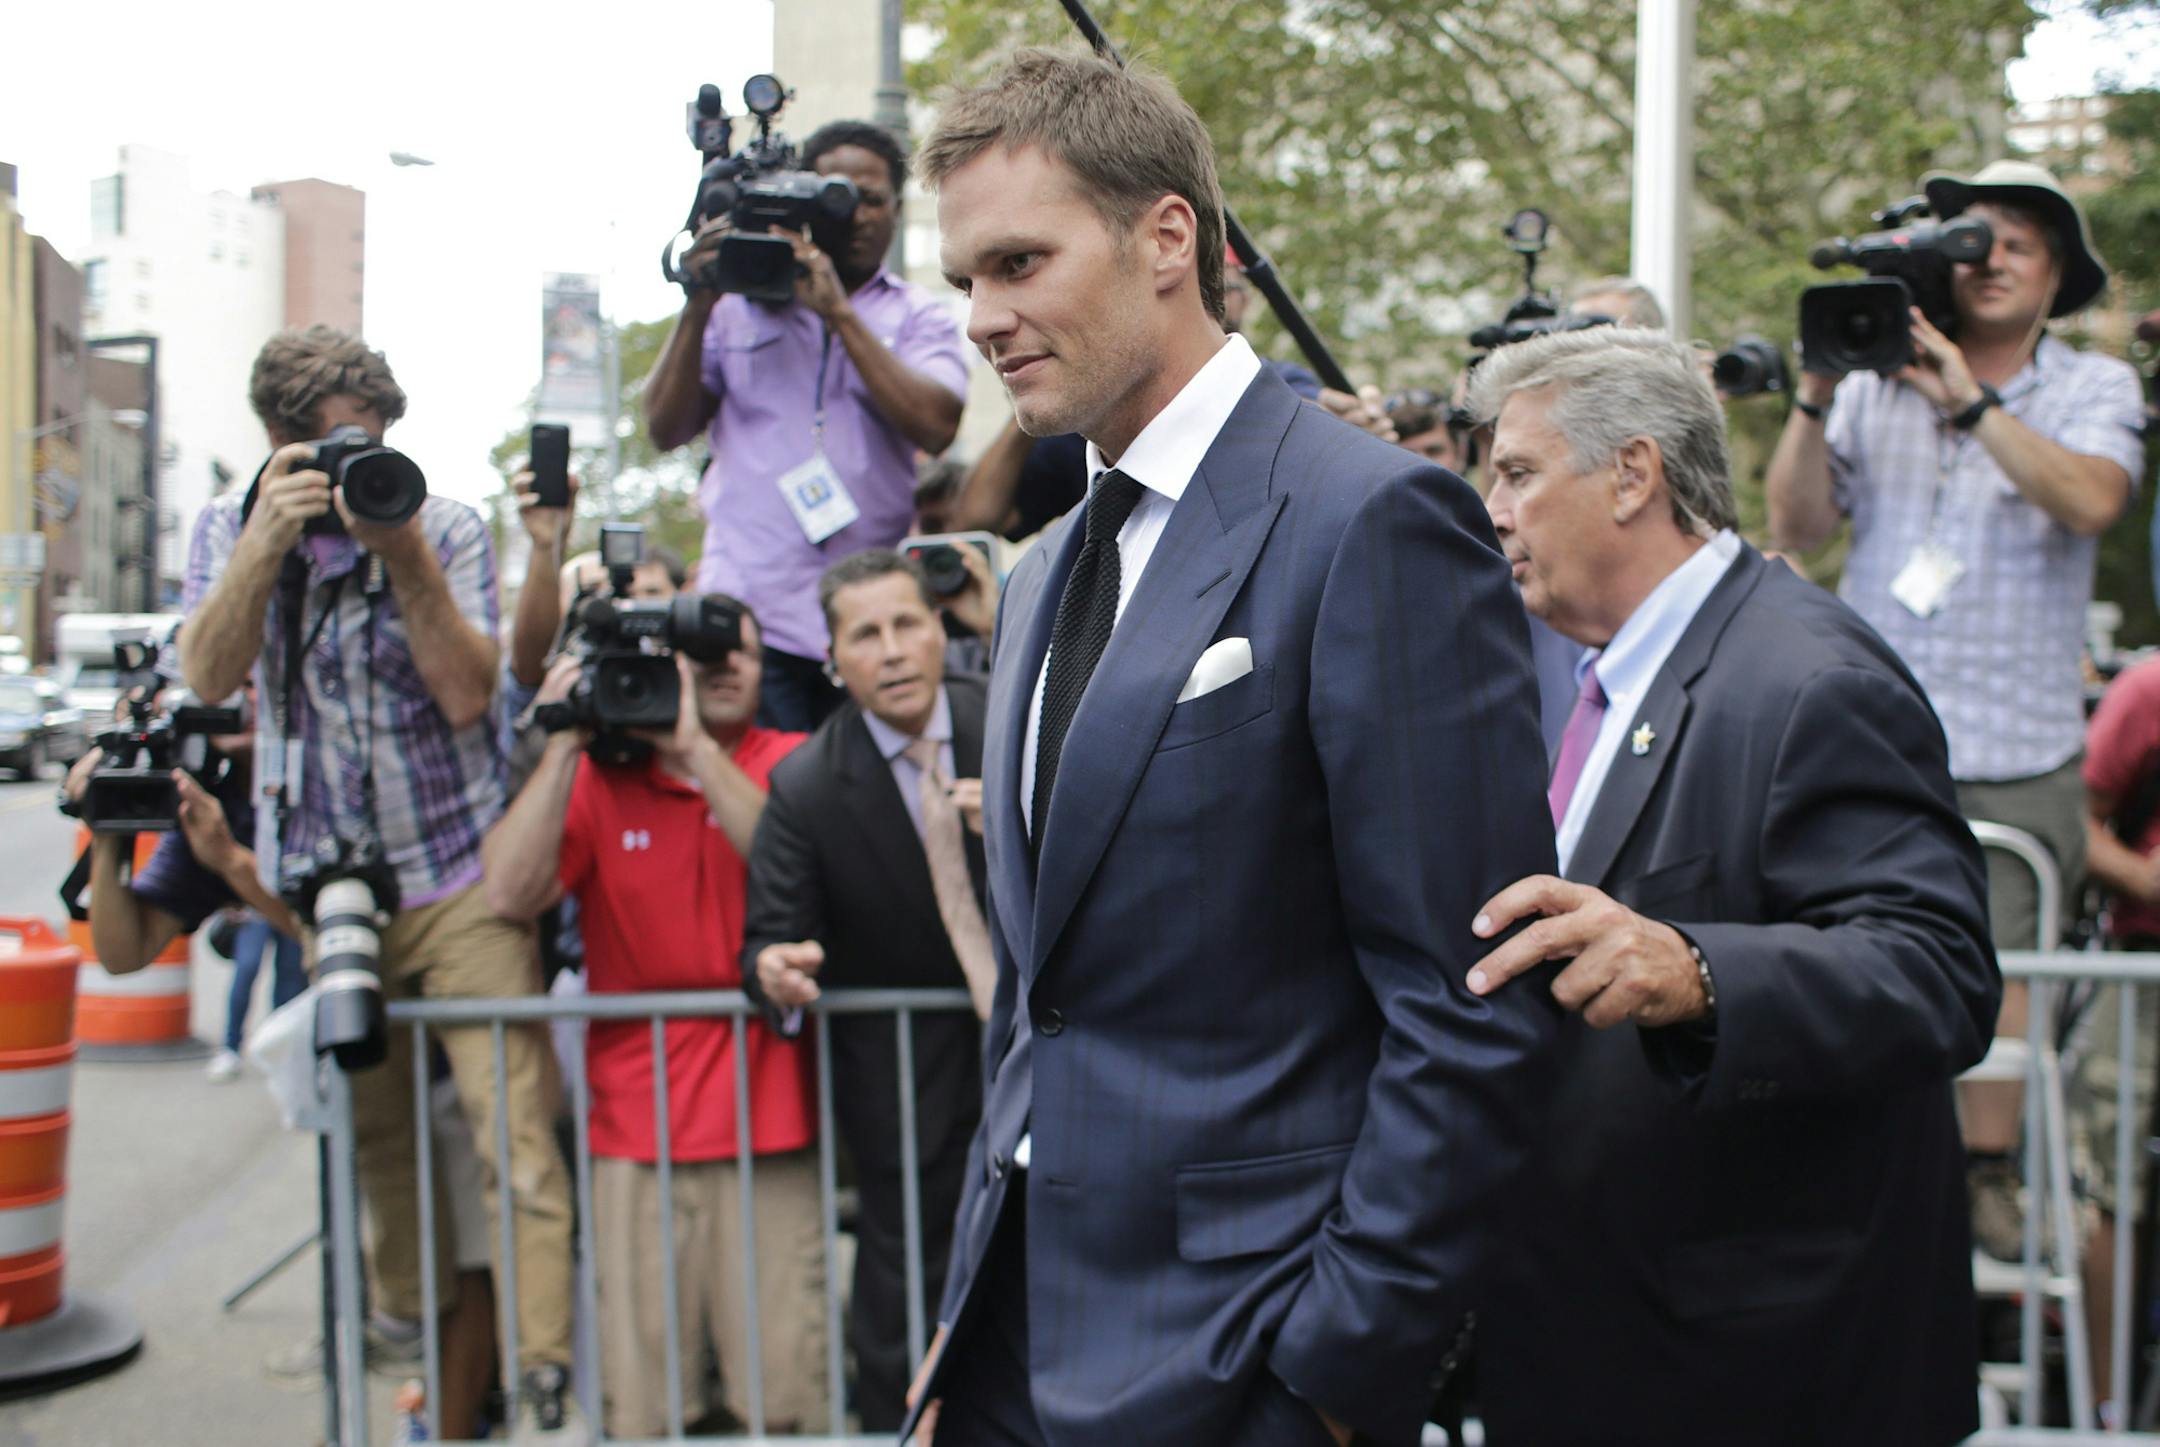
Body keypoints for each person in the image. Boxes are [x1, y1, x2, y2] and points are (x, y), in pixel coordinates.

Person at [908, 48, 1558, 1447]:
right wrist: (964, 1331)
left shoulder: (1373, 520)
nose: (983, 317)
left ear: (1167, 240)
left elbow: (1472, 1004)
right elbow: (1041, 1004)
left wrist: (1333, 1377)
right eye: (966, 279)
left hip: (1250, 1357)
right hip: (1013, 1342)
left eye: (1019, 262)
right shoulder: (1038, 574)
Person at [1463, 326, 1997, 1445]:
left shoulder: (1812, 677)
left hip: (1763, 1374)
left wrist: (1698, 969)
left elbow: (1938, 973)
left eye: (1516, 472)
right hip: (1604, 1336)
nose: (1492, 508)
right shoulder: (1605, 675)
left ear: (1633, 475)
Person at [177, 325, 584, 1443]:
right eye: (337, 447)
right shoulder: (227, 526)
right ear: (278, 441)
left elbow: (468, 694)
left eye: (378, 439)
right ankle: (408, 1324)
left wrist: (400, 553)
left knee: (516, 1134)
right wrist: (267, 539)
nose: (362, 464)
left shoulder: (438, 524)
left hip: (456, 875)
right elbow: (207, 676)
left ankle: (543, 1363)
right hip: (328, 883)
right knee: (381, 1134)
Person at [1765, 159, 2144, 1261]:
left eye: (2019, 244)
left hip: (2018, 741)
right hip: (1873, 729)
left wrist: (1969, 401)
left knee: (2001, 961)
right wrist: (1817, 391)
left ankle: (1983, 1177)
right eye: (1972, 241)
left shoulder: (2091, 385)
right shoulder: (1874, 376)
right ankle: (1855, 1156)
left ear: (2058, 275)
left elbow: (2092, 499)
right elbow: (1797, 526)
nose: (1992, 261)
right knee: (1847, 946)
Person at [484, 598, 826, 1437]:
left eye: (740, 651)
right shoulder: (602, 777)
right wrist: (564, 740)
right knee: (645, 1407)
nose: (722, 665)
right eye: (699, 654)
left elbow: (797, 867)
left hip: (769, 1117)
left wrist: (695, 751)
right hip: (636, 1131)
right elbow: (511, 893)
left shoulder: (792, 760)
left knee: (786, 1393)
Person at [744, 549, 991, 1431]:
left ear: (939, 630)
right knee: (906, 1276)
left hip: (1043, 1045)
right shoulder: (806, 784)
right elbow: (768, 938)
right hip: (903, 1075)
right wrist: (776, 970)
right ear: (831, 659)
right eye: (865, 634)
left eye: (907, 624)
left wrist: (1015, 829)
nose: (891, 651)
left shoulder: (1014, 716)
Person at [642, 120, 971, 734]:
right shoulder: (733, 308)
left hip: (867, 621)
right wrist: (699, 301)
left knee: (861, 792)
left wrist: (838, 314)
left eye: (871, 199)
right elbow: (664, 428)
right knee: (762, 788)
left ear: (897, 211)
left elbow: (936, 426)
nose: (856, 215)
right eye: (836, 197)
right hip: (751, 617)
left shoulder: (918, 314)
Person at [2075, 653, 2160, 1421]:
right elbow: (2076, 820)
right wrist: (2146, 880)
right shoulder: (2148, 689)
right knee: (2109, 1179)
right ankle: (2108, 1408)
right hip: (2144, 969)